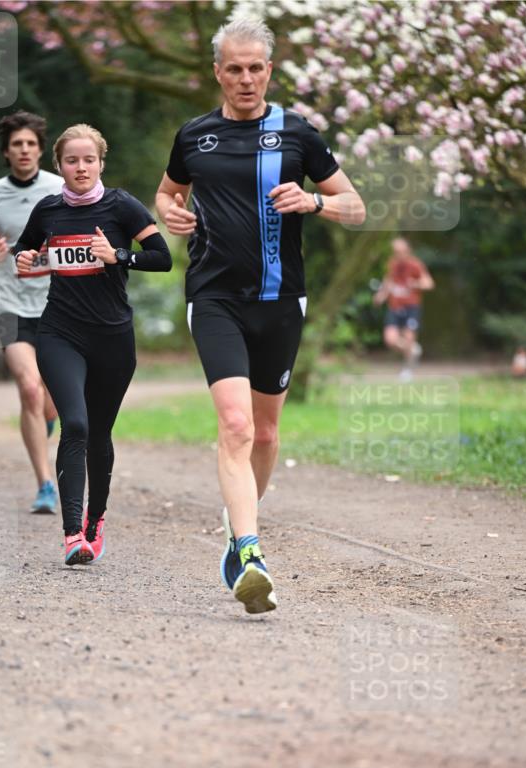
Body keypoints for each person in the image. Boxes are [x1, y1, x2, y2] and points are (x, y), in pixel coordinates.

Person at [155, 17, 365, 615]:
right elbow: (167, 193)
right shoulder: (194, 135)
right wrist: (170, 213)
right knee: (237, 427)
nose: (245, 78)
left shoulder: (298, 134)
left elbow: (355, 207)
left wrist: (314, 200)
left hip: (281, 300)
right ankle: (250, 552)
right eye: (234, 68)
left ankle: (235, 527)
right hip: (214, 298)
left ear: (269, 71)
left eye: (256, 68)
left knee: (267, 434)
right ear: (217, 72)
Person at [13, 124, 172, 566]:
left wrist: (120, 256)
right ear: (58, 165)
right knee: (76, 425)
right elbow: (25, 253)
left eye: (88, 160)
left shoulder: (121, 205)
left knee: (99, 433)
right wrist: (25, 258)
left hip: (113, 337)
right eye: (71, 160)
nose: (80, 168)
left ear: (101, 162)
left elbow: (163, 257)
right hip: (60, 331)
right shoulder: (47, 211)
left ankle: (95, 521)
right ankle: (70, 535)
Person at [0, 110, 62, 514]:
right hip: (10, 305)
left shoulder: (62, 188)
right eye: (16, 145)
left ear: (41, 150)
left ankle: (44, 425)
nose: (24, 150)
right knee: (29, 387)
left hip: (59, 303)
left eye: (30, 143)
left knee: (52, 398)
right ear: (6, 153)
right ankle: (45, 484)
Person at [373, 237, 435, 382]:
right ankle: (414, 350)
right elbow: (388, 282)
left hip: (411, 307)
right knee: (390, 339)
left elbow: (429, 283)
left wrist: (416, 284)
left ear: (407, 251)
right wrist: (381, 296)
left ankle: (407, 370)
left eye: (400, 251)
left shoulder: (415, 265)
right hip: (394, 307)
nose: (397, 254)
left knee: (408, 338)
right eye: (395, 251)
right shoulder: (392, 264)